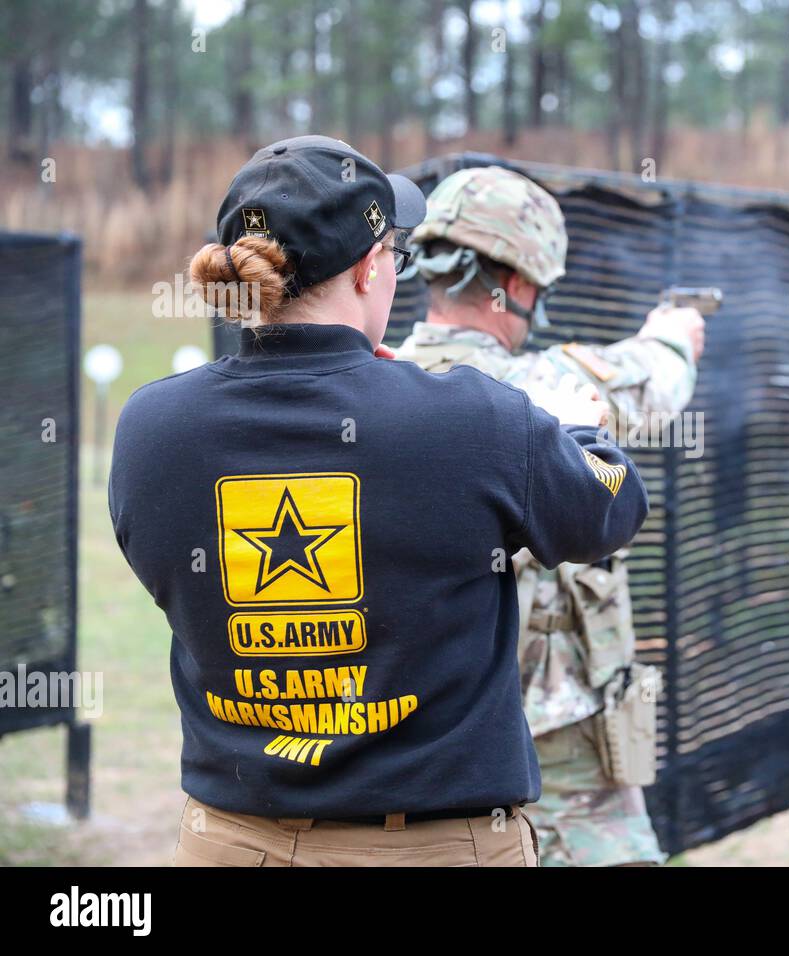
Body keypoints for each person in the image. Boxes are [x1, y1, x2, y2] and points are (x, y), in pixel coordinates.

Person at [107, 136, 649, 867]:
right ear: (370, 269)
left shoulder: (150, 430)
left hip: (230, 843)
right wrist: (585, 431)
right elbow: (608, 510)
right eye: (395, 252)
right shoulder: (475, 420)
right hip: (437, 848)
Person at [395, 165, 705, 866]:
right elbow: (655, 378)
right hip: (553, 742)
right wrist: (675, 334)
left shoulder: (380, 382)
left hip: (423, 742)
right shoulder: (549, 389)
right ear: (525, 284)